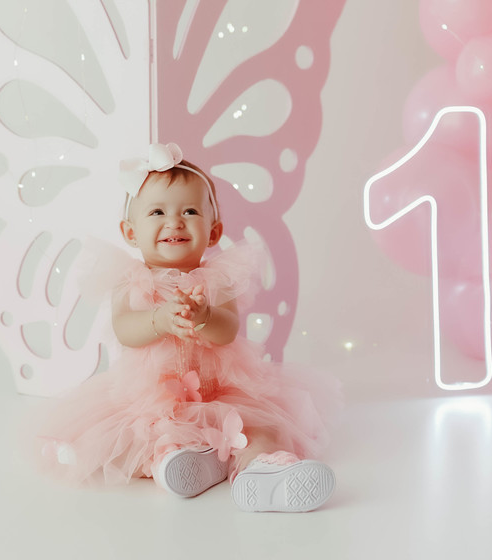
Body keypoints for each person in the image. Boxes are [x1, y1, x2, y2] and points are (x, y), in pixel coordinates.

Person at [37, 142, 338, 512]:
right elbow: (125, 330)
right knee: (149, 434)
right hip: (154, 400)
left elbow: (227, 330)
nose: (175, 222)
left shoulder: (218, 278)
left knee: (261, 427)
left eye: (190, 211)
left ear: (214, 232)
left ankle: (263, 470)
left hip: (222, 393)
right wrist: (160, 320)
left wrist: (204, 317)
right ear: (130, 232)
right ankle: (179, 461)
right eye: (157, 212)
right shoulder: (130, 279)